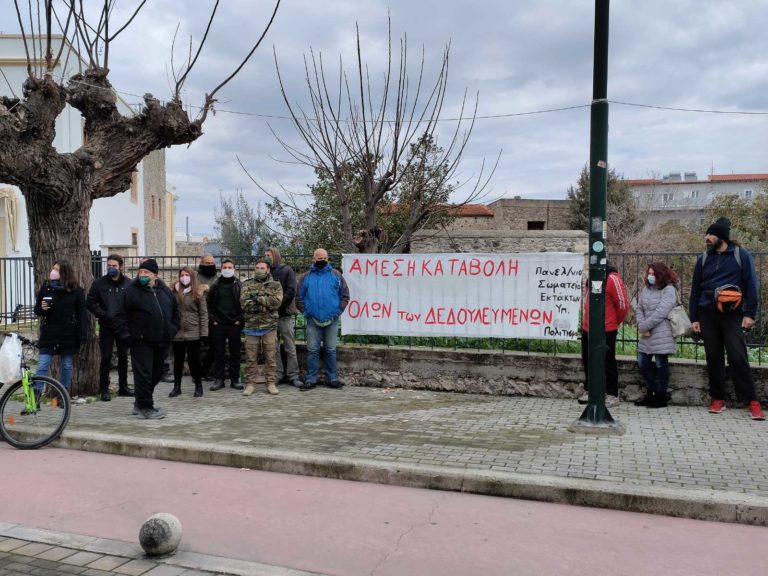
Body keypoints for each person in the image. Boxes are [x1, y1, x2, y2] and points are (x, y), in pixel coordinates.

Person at [689, 217, 764, 420]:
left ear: (721, 237)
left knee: (737, 355)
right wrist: (694, 318)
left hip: (733, 313)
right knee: (713, 357)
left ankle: (752, 401)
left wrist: (750, 314)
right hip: (707, 312)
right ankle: (717, 398)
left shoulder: (741, 255)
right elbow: (695, 290)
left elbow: (751, 285)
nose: (707, 238)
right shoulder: (704, 258)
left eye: (711, 234)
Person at [116, 259, 180, 419]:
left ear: (155, 275)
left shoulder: (164, 291)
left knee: (157, 373)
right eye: (140, 272)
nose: (142, 275)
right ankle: (146, 407)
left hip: (162, 340)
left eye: (146, 272)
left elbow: (175, 312)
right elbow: (120, 315)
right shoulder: (131, 291)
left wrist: (172, 330)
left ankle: (140, 402)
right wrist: (126, 335)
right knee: (143, 375)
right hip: (140, 341)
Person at [296, 248, 350, 391]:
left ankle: (332, 378)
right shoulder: (305, 277)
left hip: (332, 319)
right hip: (312, 319)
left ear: (328, 258)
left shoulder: (336, 275)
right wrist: (306, 312)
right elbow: (299, 297)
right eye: (319, 258)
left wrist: (338, 311)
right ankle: (311, 379)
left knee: (330, 349)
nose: (322, 260)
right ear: (314, 259)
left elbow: (345, 295)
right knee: (312, 350)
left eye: (325, 258)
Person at [578, 263, 629, 407]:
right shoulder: (591, 277)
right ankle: (590, 390)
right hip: (588, 327)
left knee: (607, 361)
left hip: (607, 329)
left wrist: (613, 322)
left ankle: (612, 394)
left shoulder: (612, 278)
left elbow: (623, 305)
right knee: (588, 359)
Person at [34, 260, 87, 393]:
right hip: (49, 333)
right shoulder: (46, 288)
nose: (53, 272)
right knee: (42, 365)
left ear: (65, 272)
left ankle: (63, 394)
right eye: (53, 269)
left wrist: (82, 335)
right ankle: (36, 395)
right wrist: (42, 308)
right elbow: (37, 310)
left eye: (57, 269)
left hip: (68, 333)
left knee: (67, 365)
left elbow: (81, 315)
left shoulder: (77, 291)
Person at [87, 254, 133, 401]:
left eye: (114, 266)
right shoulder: (99, 283)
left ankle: (123, 387)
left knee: (123, 357)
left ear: (121, 267)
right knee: (106, 357)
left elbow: (133, 303)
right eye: (109, 266)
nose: (111, 268)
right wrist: (103, 314)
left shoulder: (129, 284)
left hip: (123, 326)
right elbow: (90, 302)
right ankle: (104, 389)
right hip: (106, 325)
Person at [634, 262, 679, 409]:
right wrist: (641, 324)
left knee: (661, 364)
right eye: (649, 273)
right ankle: (652, 392)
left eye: (653, 274)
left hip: (662, 332)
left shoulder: (669, 290)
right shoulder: (646, 289)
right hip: (646, 332)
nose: (650, 276)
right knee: (642, 362)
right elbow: (639, 308)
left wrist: (644, 326)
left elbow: (661, 312)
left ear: (661, 274)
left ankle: (661, 396)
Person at [240, 259, 283, 396]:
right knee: (250, 357)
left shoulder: (275, 285)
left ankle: (271, 383)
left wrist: (257, 299)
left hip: (269, 326)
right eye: (257, 267)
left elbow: (276, 303)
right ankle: (250, 384)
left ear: (268, 269)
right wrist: (266, 303)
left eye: (262, 268)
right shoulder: (246, 284)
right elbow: (244, 304)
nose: (259, 270)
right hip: (251, 326)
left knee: (270, 357)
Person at [264, 246, 302, 387]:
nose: (266, 257)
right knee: (273, 348)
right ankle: (278, 374)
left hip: (284, 315)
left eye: (269, 255)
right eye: (265, 255)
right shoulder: (265, 271)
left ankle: (293, 375)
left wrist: (277, 305)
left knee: (289, 347)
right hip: (269, 316)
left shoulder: (287, 270)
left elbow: (291, 290)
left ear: (275, 255)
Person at [170, 267, 208, 398]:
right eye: (182, 275)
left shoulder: (198, 292)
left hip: (193, 331)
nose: (184, 277)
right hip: (177, 332)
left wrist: (204, 333)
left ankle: (198, 386)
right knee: (178, 361)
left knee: (194, 361)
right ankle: (177, 387)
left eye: (187, 275)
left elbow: (203, 314)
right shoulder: (174, 291)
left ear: (192, 277)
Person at [207, 259, 244, 390]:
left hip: (234, 324)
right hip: (218, 324)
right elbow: (208, 303)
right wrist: (212, 319)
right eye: (225, 267)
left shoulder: (239, 285)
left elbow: (245, 303)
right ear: (221, 269)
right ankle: (219, 379)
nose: (227, 269)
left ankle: (235, 379)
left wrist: (240, 319)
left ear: (234, 269)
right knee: (218, 353)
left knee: (235, 353)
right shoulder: (215, 285)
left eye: (230, 267)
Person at [197, 254, 219, 380]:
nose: (210, 265)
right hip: (200, 316)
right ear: (202, 263)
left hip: (214, 316)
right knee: (199, 347)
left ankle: (205, 371)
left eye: (212, 263)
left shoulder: (217, 276)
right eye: (207, 263)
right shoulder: (196, 277)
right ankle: (198, 373)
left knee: (214, 346)